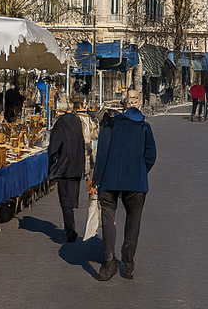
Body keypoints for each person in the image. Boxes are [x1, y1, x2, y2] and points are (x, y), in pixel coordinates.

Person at [92, 96, 157, 281]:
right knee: (133, 219)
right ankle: (128, 263)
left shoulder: (109, 126)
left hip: (110, 179)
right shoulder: (143, 126)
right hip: (136, 182)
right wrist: (140, 170)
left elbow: (102, 155)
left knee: (108, 218)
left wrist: (96, 180)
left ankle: (109, 261)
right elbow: (151, 155)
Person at [48, 103, 88, 243]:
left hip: (64, 167)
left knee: (64, 199)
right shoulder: (77, 122)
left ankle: (70, 230)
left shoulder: (61, 123)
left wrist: (53, 162)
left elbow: (54, 145)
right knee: (70, 197)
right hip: (76, 165)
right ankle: (70, 227)